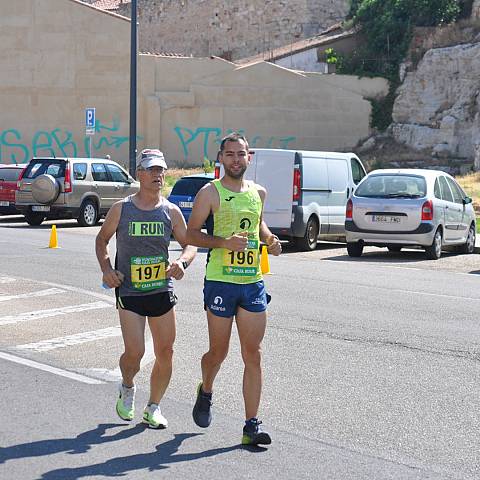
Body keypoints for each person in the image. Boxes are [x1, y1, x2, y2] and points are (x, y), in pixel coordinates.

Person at [186, 133, 282, 445]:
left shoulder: (259, 193)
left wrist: (269, 239)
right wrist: (223, 242)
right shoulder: (209, 193)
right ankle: (206, 389)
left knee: (253, 354)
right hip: (220, 281)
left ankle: (250, 426)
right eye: (230, 154)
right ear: (221, 158)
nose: (236, 160)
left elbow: (258, 224)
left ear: (249, 157)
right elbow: (190, 234)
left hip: (252, 281)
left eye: (241, 154)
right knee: (219, 351)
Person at [95, 148, 196, 429]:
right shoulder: (122, 209)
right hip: (130, 292)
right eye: (151, 169)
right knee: (135, 353)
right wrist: (107, 270)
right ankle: (127, 386)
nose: (157, 174)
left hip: (161, 289)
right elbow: (101, 240)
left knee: (166, 351)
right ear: (139, 173)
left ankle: (154, 407)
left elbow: (190, 243)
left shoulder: (170, 211)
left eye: (161, 170)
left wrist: (182, 263)